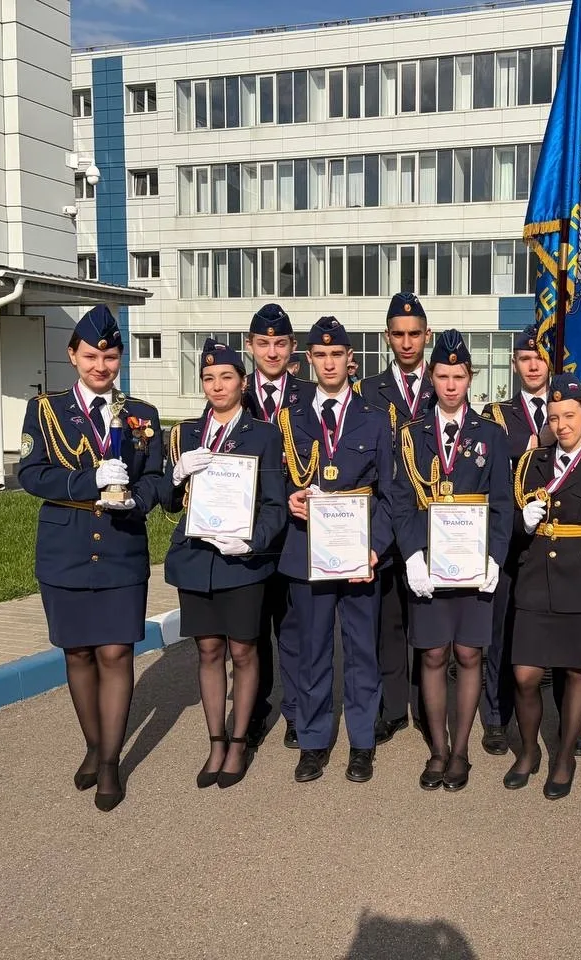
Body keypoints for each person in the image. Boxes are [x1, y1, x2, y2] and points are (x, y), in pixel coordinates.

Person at [17, 306, 163, 812]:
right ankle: (94, 744)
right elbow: (30, 474)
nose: (101, 366)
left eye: (110, 356)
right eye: (91, 356)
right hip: (67, 548)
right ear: (73, 356)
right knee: (78, 652)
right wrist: (88, 481)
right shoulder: (47, 410)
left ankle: (109, 763)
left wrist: (135, 499)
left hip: (121, 546)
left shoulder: (142, 412)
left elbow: (156, 479)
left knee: (116, 653)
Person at [162, 340, 287, 789]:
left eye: (226, 377)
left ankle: (239, 741)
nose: (217, 386)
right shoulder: (185, 434)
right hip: (197, 559)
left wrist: (252, 541)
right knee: (209, 650)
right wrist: (176, 474)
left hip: (240, 560)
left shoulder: (263, 434)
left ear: (243, 382)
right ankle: (215, 741)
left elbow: (276, 505)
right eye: (209, 378)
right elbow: (169, 502)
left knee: (243, 651)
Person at [393, 330, 511, 792]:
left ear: (470, 378)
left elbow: (501, 503)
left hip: (472, 560)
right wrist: (411, 556)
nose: (449, 384)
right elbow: (401, 501)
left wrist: (495, 558)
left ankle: (460, 751)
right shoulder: (411, 435)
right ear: (431, 378)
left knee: (468, 653)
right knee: (433, 653)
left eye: (458, 376)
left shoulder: (491, 435)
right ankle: (437, 750)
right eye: (442, 376)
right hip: (429, 561)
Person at [278, 317, 393, 785]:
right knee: (312, 650)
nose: (329, 363)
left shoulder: (375, 418)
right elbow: (275, 479)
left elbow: (391, 493)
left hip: (357, 550)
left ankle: (362, 742)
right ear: (309, 360)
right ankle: (313, 741)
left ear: (351, 360)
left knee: (362, 650)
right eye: (320, 355)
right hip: (306, 549)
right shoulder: (291, 418)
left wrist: (375, 547)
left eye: (337, 355)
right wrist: (288, 497)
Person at [480, 325, 581, 758]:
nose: (533, 365)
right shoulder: (497, 413)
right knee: (503, 634)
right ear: (514, 364)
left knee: (564, 642)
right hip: (515, 540)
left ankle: (569, 722)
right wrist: (547, 435)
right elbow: (504, 452)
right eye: (525, 358)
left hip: (562, 544)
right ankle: (497, 718)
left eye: (540, 358)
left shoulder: (568, 406)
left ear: (551, 364)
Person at [507, 374, 581, 798]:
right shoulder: (531, 464)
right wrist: (522, 524)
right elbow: (510, 524)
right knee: (525, 675)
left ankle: (563, 757)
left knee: (576, 671)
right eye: (555, 417)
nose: (562, 425)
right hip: (535, 580)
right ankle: (528, 750)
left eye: (570, 416)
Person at [357, 293, 436, 747]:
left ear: (427, 335)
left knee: (426, 618)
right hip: (384, 519)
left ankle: (426, 706)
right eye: (399, 334)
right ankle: (391, 708)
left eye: (414, 334)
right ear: (387, 337)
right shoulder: (369, 390)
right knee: (388, 621)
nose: (407, 342)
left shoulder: (443, 382)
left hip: (432, 521)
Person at [242, 303, 308, 752]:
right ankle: (254, 709)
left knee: (293, 626)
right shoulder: (234, 391)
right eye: (263, 343)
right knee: (252, 627)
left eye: (280, 343)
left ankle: (297, 711)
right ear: (250, 346)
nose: (271, 352)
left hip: (297, 529)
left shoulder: (309, 396)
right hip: (247, 528)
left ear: (292, 347)